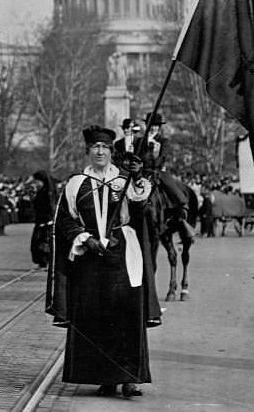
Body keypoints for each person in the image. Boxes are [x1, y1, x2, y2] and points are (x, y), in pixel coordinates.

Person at [48, 125, 154, 398]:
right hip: (90, 256)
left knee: (127, 315)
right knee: (97, 318)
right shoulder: (76, 184)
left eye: (105, 148)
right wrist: (86, 238)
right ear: (87, 151)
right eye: (95, 147)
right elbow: (65, 221)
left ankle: (130, 377)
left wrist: (138, 174)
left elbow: (141, 206)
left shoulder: (124, 181)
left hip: (122, 254)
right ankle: (105, 377)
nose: (100, 152)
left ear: (111, 152)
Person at [136, 112, 195, 244]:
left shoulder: (163, 141)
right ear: (146, 125)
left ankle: (181, 212)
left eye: (156, 126)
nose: (153, 128)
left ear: (159, 128)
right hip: (141, 173)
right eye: (151, 125)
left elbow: (162, 159)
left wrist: (156, 154)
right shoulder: (139, 141)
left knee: (171, 186)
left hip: (157, 171)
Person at [29, 170, 56, 267]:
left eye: (36, 181)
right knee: (37, 245)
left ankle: (45, 262)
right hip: (40, 221)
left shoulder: (48, 193)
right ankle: (42, 262)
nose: (35, 183)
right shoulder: (40, 192)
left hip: (46, 223)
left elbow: (51, 208)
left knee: (43, 244)